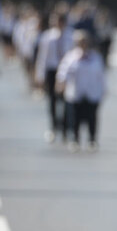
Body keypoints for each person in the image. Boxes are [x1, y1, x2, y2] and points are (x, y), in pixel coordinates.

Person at [56, 30, 105, 152]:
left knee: (92, 117)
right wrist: (61, 84)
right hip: (75, 93)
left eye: (84, 41)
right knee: (75, 117)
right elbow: (63, 73)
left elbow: (101, 75)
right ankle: (75, 139)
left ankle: (92, 140)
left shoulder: (95, 57)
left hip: (91, 93)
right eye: (80, 42)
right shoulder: (71, 57)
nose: (83, 44)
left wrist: (102, 91)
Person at [35, 11, 73, 142]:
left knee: (66, 100)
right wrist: (40, 75)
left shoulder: (70, 36)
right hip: (52, 70)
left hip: (66, 72)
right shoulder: (47, 37)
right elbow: (42, 57)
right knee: (52, 101)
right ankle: (53, 127)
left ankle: (65, 129)